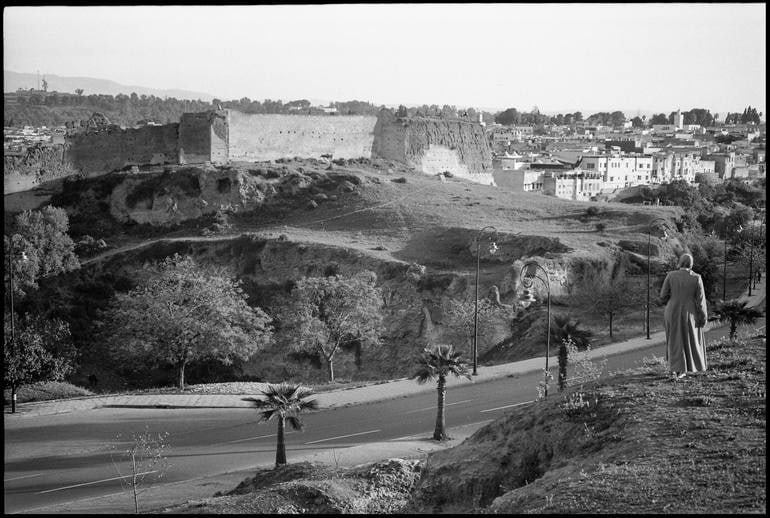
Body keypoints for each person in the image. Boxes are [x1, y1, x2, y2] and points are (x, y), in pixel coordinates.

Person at [659, 253, 709, 378]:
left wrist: (670, 301)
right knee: (688, 339)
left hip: (672, 311)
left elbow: (663, 296)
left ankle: (674, 368)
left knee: (673, 339)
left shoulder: (671, 275)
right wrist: (703, 317)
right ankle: (684, 369)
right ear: (691, 264)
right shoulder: (697, 278)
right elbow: (701, 301)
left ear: (680, 262)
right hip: (689, 312)